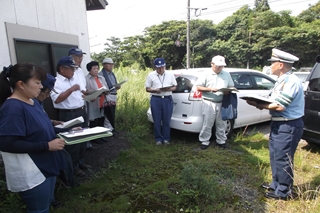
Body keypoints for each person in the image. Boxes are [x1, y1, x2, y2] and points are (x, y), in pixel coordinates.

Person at [0, 64, 65, 213]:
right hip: (31, 170)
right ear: (21, 84)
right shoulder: (13, 108)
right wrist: (47, 146)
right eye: (37, 82)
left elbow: (43, 128)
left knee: (46, 204)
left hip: (46, 164)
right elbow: (7, 143)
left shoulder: (32, 102)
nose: (41, 87)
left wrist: (69, 130)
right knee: (39, 209)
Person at [245, 48, 304, 200]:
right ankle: (276, 183)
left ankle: (283, 192)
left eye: (272, 63)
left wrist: (258, 105)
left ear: (280, 64)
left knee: (283, 158)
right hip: (280, 124)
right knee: (275, 155)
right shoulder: (282, 80)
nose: (270, 66)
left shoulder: (291, 81)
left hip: (288, 124)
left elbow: (279, 106)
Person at [50, 56, 91, 177]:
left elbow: (78, 95)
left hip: (81, 110)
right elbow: (57, 100)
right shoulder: (55, 82)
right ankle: (72, 167)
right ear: (62, 69)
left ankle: (80, 161)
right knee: (73, 142)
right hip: (69, 113)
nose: (74, 71)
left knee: (83, 138)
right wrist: (71, 89)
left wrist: (87, 97)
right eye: (71, 69)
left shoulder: (72, 79)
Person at [196, 55, 234, 150]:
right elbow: (198, 87)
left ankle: (221, 141)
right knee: (207, 123)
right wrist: (210, 89)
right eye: (218, 66)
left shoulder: (226, 74)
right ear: (212, 64)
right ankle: (204, 141)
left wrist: (228, 91)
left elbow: (231, 86)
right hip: (209, 102)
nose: (220, 68)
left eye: (221, 66)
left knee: (222, 123)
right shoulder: (205, 74)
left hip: (222, 101)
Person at [145, 58, 177, 145]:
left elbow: (175, 86)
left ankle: (166, 138)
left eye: (162, 67)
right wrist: (156, 90)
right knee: (157, 120)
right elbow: (147, 88)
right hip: (156, 98)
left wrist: (169, 89)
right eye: (158, 68)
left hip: (167, 98)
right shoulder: (151, 75)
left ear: (165, 66)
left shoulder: (170, 74)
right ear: (155, 67)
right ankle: (158, 139)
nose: (161, 69)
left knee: (167, 119)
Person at [85, 61, 110, 143]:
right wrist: (95, 92)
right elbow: (85, 91)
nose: (96, 70)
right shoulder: (86, 79)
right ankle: (94, 138)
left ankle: (101, 136)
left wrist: (106, 91)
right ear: (89, 70)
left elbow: (105, 87)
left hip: (102, 101)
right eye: (94, 69)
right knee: (94, 121)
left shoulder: (101, 78)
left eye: (97, 68)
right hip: (93, 102)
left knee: (101, 119)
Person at [99, 58, 119, 133]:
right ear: (104, 65)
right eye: (109, 64)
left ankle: (111, 128)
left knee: (112, 112)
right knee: (107, 113)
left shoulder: (112, 74)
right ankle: (108, 129)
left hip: (113, 94)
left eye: (112, 64)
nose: (111, 66)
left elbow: (114, 83)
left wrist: (117, 86)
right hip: (106, 95)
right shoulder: (101, 74)